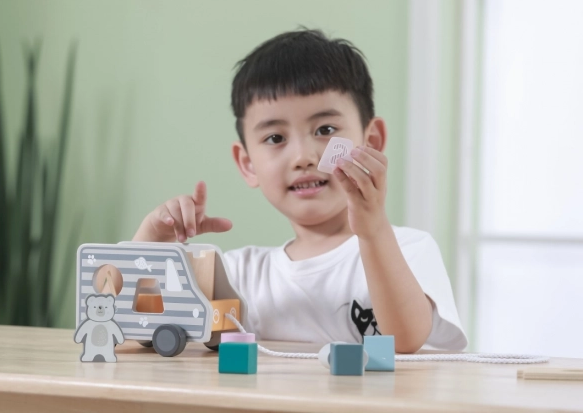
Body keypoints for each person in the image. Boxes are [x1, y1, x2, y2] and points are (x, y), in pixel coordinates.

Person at [133, 29, 467, 353]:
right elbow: (138, 334)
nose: (304, 157)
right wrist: (151, 246)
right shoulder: (240, 274)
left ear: (372, 142)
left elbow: (405, 341)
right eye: (275, 138)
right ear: (248, 164)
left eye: (325, 129)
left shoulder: (408, 250)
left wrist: (373, 229)